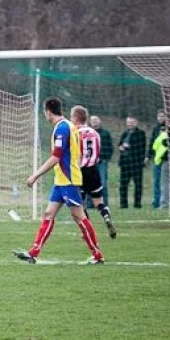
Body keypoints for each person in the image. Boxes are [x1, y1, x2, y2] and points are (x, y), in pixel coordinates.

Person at [14, 98, 104, 265]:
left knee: (79, 216)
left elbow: (56, 157)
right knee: (49, 213)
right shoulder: (66, 126)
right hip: (61, 180)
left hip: (68, 180)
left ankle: (97, 255)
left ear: (48, 111)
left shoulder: (63, 128)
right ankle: (33, 253)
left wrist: (35, 175)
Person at [71, 106, 117, 239]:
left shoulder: (74, 132)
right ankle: (106, 217)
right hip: (94, 170)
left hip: (79, 172)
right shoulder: (95, 133)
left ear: (75, 118)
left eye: (72, 116)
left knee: (79, 205)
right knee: (99, 201)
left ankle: (87, 230)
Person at [117, 116, 147, 209]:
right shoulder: (125, 133)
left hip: (136, 163)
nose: (129, 124)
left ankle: (137, 204)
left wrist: (129, 146)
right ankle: (123, 204)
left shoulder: (141, 133)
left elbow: (141, 147)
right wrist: (121, 147)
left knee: (138, 184)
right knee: (123, 185)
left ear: (136, 122)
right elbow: (120, 144)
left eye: (131, 122)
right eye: (128, 122)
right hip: (125, 163)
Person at [89, 115, 112, 206]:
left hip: (102, 161)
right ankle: (90, 204)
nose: (94, 122)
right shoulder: (88, 133)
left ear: (99, 121)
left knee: (103, 183)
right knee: (90, 183)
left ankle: (104, 203)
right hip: (90, 163)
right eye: (92, 120)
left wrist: (106, 158)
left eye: (96, 120)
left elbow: (110, 147)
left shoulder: (105, 134)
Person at [147, 109, 167, 208]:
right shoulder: (155, 129)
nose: (161, 118)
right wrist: (148, 156)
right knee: (156, 181)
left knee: (165, 182)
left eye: (163, 116)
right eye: (159, 116)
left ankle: (166, 201)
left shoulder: (169, 128)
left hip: (166, 159)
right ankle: (156, 201)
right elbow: (152, 143)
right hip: (157, 159)